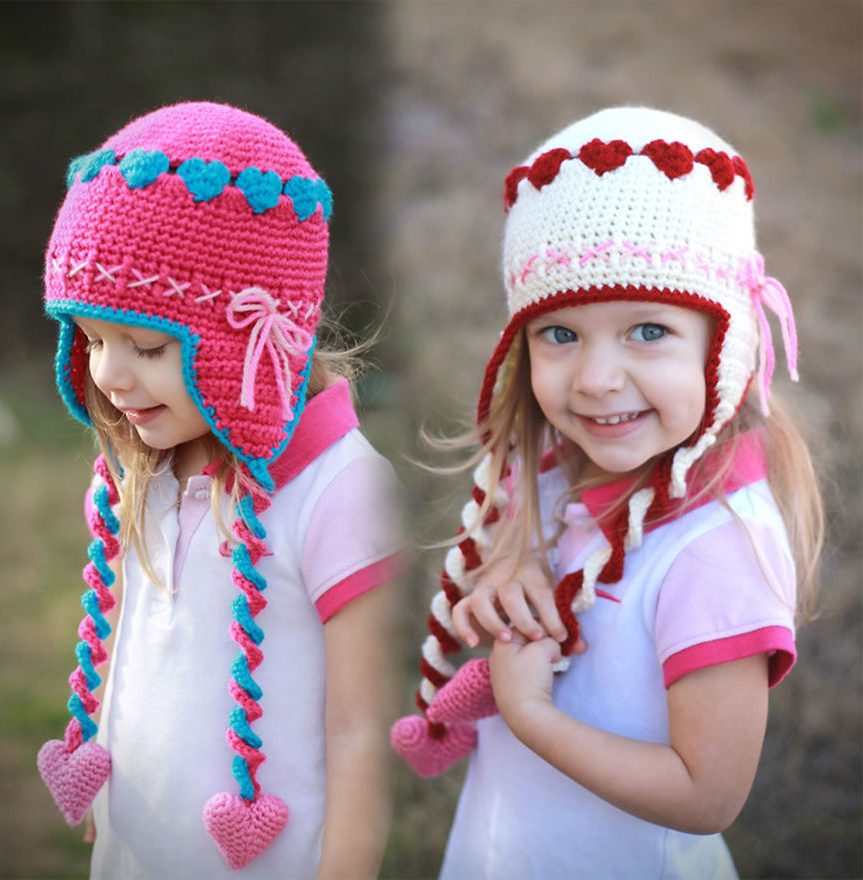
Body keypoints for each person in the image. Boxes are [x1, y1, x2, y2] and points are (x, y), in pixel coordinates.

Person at [391, 107, 823, 878]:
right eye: (560, 333)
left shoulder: (715, 552)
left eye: (648, 330)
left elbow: (707, 795)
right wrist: (509, 565)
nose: (595, 380)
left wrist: (530, 715)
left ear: (723, 346)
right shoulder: (561, 467)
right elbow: (491, 559)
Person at [36, 102, 404, 878]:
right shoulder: (139, 471)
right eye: (93, 338)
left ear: (246, 345)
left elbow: (360, 729)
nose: (108, 374)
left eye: (145, 345)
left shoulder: (340, 491)